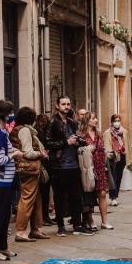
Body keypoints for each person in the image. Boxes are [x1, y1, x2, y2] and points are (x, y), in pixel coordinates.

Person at [45, 96, 94, 237]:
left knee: (76, 197)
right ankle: (61, 226)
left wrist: (81, 143)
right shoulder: (53, 122)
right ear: (57, 106)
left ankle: (77, 225)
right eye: (63, 104)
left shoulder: (73, 123)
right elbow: (48, 144)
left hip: (73, 164)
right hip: (59, 166)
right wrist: (67, 142)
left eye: (68, 104)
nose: (66, 106)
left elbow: (77, 139)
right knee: (59, 198)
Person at [0, 100, 23, 260]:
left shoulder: (0, 132)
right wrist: (14, 155)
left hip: (5, 181)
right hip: (0, 181)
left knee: (5, 215)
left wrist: (12, 151)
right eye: (9, 113)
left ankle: (2, 247)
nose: (11, 116)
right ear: (3, 115)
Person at [9, 107, 50, 242]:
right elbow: (28, 152)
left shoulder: (16, 129)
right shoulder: (25, 130)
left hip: (25, 168)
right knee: (27, 198)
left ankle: (35, 228)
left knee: (36, 198)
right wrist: (41, 154)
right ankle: (21, 231)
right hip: (28, 168)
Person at [78, 112, 114, 231]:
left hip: (100, 167)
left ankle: (105, 221)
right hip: (88, 168)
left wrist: (106, 156)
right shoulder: (81, 134)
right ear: (87, 120)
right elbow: (78, 151)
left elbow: (102, 148)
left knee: (102, 194)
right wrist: (86, 149)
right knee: (89, 195)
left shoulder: (99, 134)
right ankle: (91, 220)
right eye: (93, 118)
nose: (96, 120)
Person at [103, 114, 132, 206]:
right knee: (113, 177)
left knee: (119, 176)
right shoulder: (107, 132)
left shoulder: (124, 131)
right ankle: (113, 197)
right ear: (112, 122)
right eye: (115, 120)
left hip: (122, 156)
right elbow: (106, 145)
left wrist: (129, 159)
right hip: (112, 156)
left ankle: (115, 195)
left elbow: (128, 144)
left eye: (118, 120)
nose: (117, 122)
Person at [34, 113, 54, 226]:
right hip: (44, 165)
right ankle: (43, 217)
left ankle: (45, 216)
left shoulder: (41, 133)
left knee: (44, 193)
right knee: (44, 192)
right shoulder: (40, 134)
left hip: (45, 165)